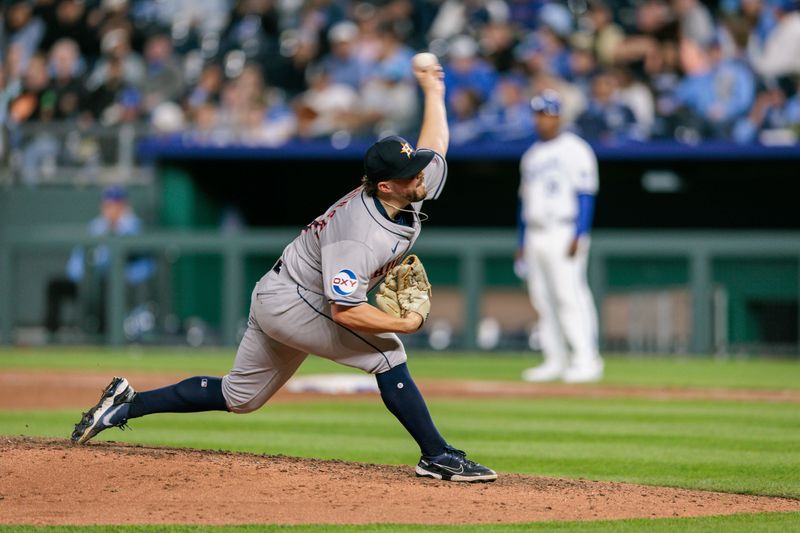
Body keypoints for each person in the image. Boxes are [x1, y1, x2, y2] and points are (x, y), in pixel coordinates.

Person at [71, 61, 497, 483]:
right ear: (386, 185)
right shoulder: (359, 234)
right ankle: (437, 455)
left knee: (240, 397)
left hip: (282, 290)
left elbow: (435, 143)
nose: (420, 174)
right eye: (410, 172)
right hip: (294, 301)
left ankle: (126, 404)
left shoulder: (405, 188)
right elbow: (345, 312)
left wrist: (433, 91)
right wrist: (402, 323)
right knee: (388, 353)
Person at [516, 90, 604, 384]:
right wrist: (521, 242)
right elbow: (523, 202)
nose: (542, 119)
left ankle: (586, 359)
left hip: (564, 229)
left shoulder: (575, 148)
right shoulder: (531, 156)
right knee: (542, 298)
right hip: (535, 231)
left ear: (559, 116)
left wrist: (580, 232)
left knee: (570, 295)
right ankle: (555, 360)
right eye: (539, 114)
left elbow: (585, 194)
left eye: (548, 113)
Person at [44, 185, 155, 336]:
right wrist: (82, 279)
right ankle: (51, 338)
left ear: (124, 206)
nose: (112, 209)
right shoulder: (95, 226)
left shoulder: (134, 227)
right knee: (55, 285)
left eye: (116, 205)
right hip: (90, 282)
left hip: (122, 285)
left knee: (107, 284)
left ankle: (105, 336)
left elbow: (145, 265)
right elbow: (76, 261)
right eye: (108, 205)